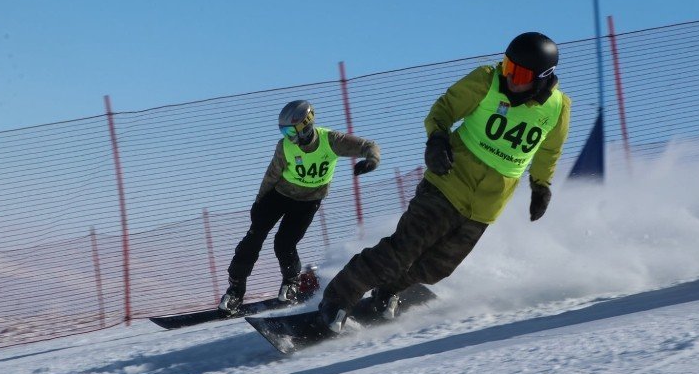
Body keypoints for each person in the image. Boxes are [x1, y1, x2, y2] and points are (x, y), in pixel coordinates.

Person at [315, 32, 571, 331]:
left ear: (543, 77)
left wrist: (541, 185)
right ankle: (338, 298)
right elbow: (443, 110)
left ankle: (389, 291)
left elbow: (549, 150)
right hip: (448, 181)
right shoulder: (487, 81)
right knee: (402, 251)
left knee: (438, 266)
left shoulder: (557, 109)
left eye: (521, 73)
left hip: (486, 204)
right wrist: (436, 139)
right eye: (508, 66)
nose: (511, 77)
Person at [219, 100, 380, 313]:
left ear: (306, 125)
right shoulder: (284, 146)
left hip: (307, 202)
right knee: (253, 237)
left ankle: (291, 282)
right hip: (279, 195)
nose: (288, 137)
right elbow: (271, 175)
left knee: (284, 243)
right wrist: (259, 202)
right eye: (284, 132)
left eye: (291, 131)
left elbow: (368, 146)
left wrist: (372, 160)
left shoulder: (331, 140)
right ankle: (235, 291)